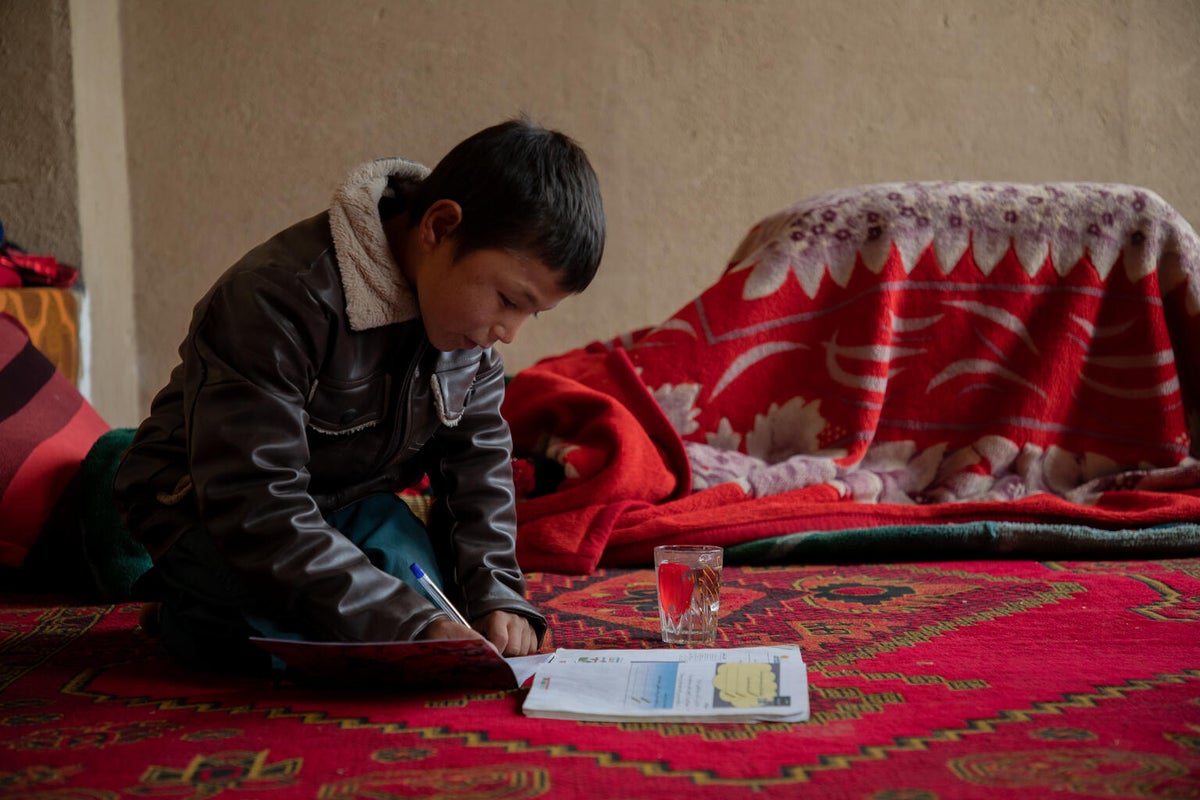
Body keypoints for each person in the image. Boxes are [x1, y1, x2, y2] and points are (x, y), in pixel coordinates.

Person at [113, 118, 605, 675]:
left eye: (530, 313)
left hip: (349, 504)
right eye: (508, 300)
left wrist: (496, 594)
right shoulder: (274, 299)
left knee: (434, 605)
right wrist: (401, 622)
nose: (509, 333)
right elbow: (255, 503)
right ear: (440, 227)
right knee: (302, 636)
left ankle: (225, 601)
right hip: (209, 507)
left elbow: (478, 474)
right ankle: (187, 598)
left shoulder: (466, 331)